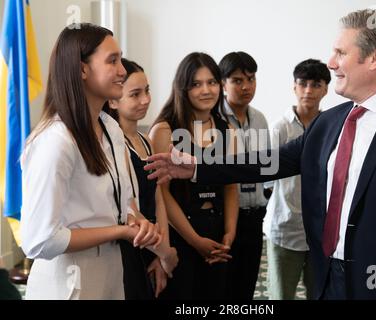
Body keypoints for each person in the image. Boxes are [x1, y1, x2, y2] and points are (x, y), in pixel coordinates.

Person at [146, 10, 376, 299]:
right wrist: (199, 166)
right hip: (329, 278)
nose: (331, 63)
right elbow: (270, 160)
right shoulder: (330, 122)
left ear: (375, 57)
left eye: (341, 53)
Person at [20, 23, 175, 300]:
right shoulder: (55, 141)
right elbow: (40, 240)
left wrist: (138, 224)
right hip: (68, 282)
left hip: (110, 271)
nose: (122, 71)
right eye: (112, 61)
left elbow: (121, 204)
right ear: (82, 70)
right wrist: (119, 230)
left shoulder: (109, 128)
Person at [149, 52, 239, 300]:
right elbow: (162, 195)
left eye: (211, 82)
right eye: (196, 84)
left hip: (218, 231)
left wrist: (229, 232)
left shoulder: (227, 130)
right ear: (183, 88)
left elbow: (231, 186)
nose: (206, 90)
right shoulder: (164, 130)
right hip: (180, 232)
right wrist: (195, 240)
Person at [107, 58, 177, 299]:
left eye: (146, 91)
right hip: (134, 245)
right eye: (135, 94)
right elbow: (131, 211)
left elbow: (159, 200)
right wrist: (167, 254)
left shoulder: (145, 139)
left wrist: (162, 254)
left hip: (154, 243)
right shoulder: (115, 146)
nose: (146, 99)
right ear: (113, 99)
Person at [264, 59, 330, 300]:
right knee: (280, 296)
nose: (309, 91)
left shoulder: (332, 126)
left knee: (319, 293)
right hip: (284, 227)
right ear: (294, 86)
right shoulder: (279, 128)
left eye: (316, 84)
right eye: (303, 84)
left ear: (326, 89)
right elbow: (268, 179)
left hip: (320, 232)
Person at [218, 51, 269, 300]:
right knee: (222, 288)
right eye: (237, 80)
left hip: (254, 216)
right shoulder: (213, 119)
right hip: (224, 220)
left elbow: (266, 166)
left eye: (251, 79)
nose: (246, 86)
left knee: (247, 287)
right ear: (223, 83)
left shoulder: (259, 119)